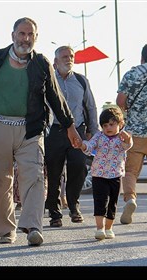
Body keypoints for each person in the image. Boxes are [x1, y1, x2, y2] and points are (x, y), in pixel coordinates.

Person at [0, 17, 81, 246]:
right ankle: (5, 230)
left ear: (35, 38)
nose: (25, 39)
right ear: (13, 35)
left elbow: (55, 97)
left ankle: (33, 227)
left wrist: (70, 128)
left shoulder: (41, 63)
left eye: (30, 35)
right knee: (0, 179)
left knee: (35, 177)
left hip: (31, 128)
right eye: (21, 34)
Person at [44, 45, 99, 227]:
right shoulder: (48, 81)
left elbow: (90, 106)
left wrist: (93, 131)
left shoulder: (82, 81)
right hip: (54, 131)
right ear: (56, 61)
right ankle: (54, 212)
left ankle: (74, 204)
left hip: (78, 130)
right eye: (64, 56)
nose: (69, 59)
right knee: (53, 172)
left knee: (79, 165)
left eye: (71, 56)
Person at [116, 43, 147, 224]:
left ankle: (131, 199)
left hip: (133, 133)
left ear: (142, 57)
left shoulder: (131, 74)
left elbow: (120, 101)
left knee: (130, 172)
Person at [78, 107, 132, 240]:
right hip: (99, 175)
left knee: (112, 203)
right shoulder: (99, 136)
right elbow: (90, 147)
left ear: (120, 124)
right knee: (100, 202)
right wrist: (83, 146)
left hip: (115, 175)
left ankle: (109, 228)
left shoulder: (122, 137)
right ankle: (99, 228)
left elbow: (128, 146)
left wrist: (128, 140)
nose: (108, 127)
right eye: (105, 125)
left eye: (112, 124)